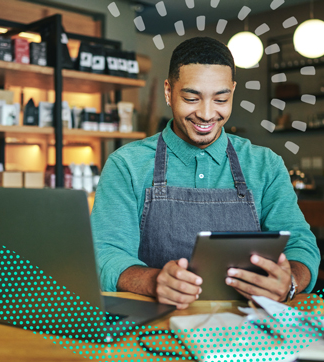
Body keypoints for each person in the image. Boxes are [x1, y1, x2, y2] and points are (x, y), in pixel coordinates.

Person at [91, 36, 320, 309]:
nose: (207, 114)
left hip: (246, 329)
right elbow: (105, 254)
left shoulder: (266, 165)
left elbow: (301, 245)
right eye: (191, 97)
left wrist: (290, 281)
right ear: (168, 91)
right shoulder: (126, 165)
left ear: (233, 92)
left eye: (221, 99)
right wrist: (153, 281)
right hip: (154, 330)